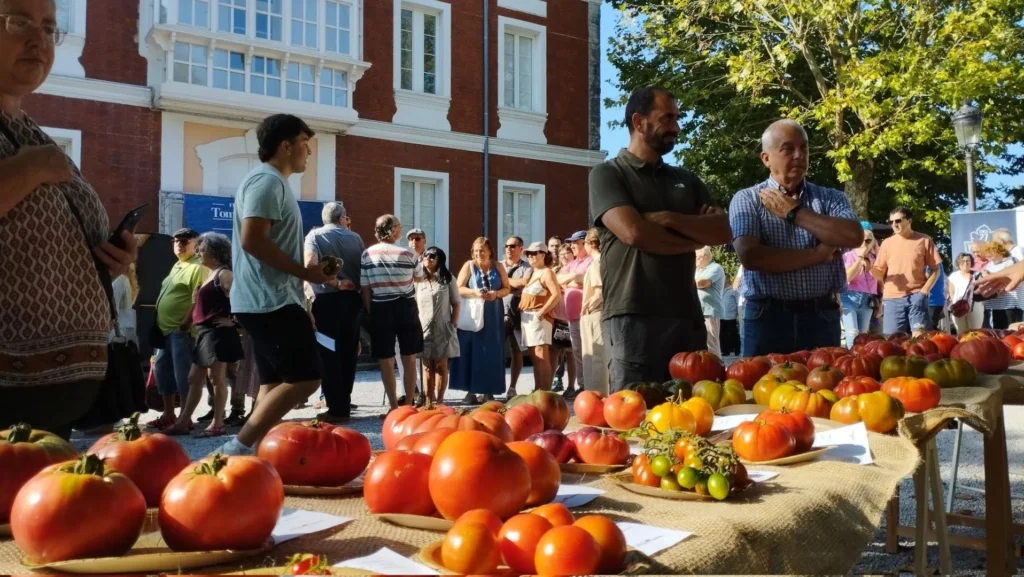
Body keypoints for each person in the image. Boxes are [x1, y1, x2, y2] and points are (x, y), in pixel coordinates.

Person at [0, 0, 138, 440]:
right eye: (18, 21)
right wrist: (28, 170)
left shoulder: (30, 130)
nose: (37, 38)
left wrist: (111, 257)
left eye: (48, 27)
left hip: (55, 404)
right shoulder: (34, 150)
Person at [589, 86, 732, 391]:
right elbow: (634, 232)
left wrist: (667, 219)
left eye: (677, 119)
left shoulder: (686, 179)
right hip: (632, 317)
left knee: (695, 417)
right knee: (634, 420)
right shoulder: (607, 175)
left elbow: (723, 231)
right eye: (667, 118)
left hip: (686, 316)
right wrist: (692, 235)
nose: (676, 128)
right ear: (639, 122)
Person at [213, 114, 331, 457]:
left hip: (269, 299)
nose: (308, 152)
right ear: (286, 145)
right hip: (268, 300)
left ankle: (253, 453)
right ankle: (235, 448)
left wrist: (300, 297)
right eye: (304, 144)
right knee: (306, 378)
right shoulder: (267, 182)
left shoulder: (268, 181)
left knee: (274, 383)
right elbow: (252, 240)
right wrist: (305, 273)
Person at [729, 119, 862, 355]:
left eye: (805, 148)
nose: (800, 155)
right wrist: (818, 254)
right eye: (788, 148)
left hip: (822, 315)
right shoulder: (747, 199)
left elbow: (853, 235)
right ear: (766, 158)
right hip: (767, 318)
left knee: (825, 391)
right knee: (762, 388)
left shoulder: (831, 197)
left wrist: (795, 213)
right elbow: (752, 257)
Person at [163, 232, 242, 437]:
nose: (198, 253)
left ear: (214, 253)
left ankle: (217, 424)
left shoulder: (225, 275)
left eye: (202, 250)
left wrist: (233, 321)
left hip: (217, 333)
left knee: (216, 378)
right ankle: (183, 422)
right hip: (205, 333)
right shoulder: (210, 274)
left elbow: (244, 300)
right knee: (194, 378)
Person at [305, 201, 365, 422]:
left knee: (328, 353)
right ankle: (345, 403)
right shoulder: (356, 238)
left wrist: (334, 283)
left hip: (327, 301)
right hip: (352, 302)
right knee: (349, 352)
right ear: (342, 218)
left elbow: (310, 264)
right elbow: (364, 268)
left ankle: (336, 407)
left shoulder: (314, 237)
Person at [360, 214, 424, 410]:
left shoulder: (367, 255)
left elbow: (365, 288)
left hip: (380, 307)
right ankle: (410, 403)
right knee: (409, 356)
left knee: (385, 359)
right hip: (405, 306)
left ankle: (393, 405)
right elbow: (419, 278)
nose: (401, 229)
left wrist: (371, 311)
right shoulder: (409, 254)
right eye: (399, 226)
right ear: (392, 230)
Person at [149, 228, 208, 430]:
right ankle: (168, 414)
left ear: (196, 244)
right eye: (176, 240)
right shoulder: (178, 265)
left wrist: (184, 324)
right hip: (165, 330)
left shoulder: (198, 267)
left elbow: (198, 299)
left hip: (181, 331)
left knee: (183, 375)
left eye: (184, 240)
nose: (179, 244)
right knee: (162, 372)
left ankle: (185, 416)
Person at [450, 237, 511, 404]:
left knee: (490, 352)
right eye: (476, 251)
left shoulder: (498, 266)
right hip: (472, 314)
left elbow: (507, 288)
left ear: (490, 251)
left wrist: (496, 294)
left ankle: (488, 391)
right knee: (470, 351)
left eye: (482, 250)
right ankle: (470, 391)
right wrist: (475, 293)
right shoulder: (468, 266)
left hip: (493, 314)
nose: (479, 254)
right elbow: (458, 288)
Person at [870, 207, 941, 336]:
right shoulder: (886, 243)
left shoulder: (924, 240)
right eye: (890, 222)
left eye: (897, 220)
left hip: (917, 295)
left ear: (909, 220)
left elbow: (936, 270)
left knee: (920, 341)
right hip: (892, 298)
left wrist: (924, 292)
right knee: (893, 343)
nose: (894, 225)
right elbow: (879, 271)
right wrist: (871, 268)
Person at [414, 247, 460, 407]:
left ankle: (440, 401)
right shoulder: (417, 280)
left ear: (440, 259)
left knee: (441, 365)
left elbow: (456, 303)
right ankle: (428, 400)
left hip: (443, 328)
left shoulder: (448, 279)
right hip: (423, 329)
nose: (429, 258)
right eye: (426, 255)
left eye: (433, 256)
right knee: (427, 367)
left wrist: (453, 325)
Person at [517, 242, 562, 391]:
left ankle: (545, 391)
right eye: (528, 254)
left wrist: (541, 312)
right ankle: (538, 390)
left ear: (542, 255)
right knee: (535, 357)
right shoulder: (532, 273)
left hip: (538, 317)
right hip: (528, 317)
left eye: (533, 253)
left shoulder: (547, 272)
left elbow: (556, 294)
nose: (530, 256)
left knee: (541, 355)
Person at [558, 230, 592, 398]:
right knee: (578, 350)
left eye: (575, 243)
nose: (572, 245)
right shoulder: (572, 264)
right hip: (571, 316)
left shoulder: (591, 260)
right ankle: (583, 384)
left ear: (585, 243)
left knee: (589, 349)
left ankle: (592, 384)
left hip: (586, 313)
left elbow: (583, 279)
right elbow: (557, 279)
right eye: (571, 243)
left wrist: (572, 280)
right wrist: (573, 278)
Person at [841, 223, 881, 348]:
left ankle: (858, 362)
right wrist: (859, 258)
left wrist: (881, 304)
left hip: (867, 300)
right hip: (848, 298)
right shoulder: (848, 256)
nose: (865, 243)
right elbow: (847, 277)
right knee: (852, 332)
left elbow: (881, 282)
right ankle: (850, 362)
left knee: (863, 336)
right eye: (862, 239)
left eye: (868, 240)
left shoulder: (876, 259)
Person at [579, 230, 609, 393]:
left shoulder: (597, 263)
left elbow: (599, 292)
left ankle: (598, 395)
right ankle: (593, 394)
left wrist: (586, 307)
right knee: (591, 357)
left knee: (596, 357)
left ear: (591, 243)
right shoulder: (598, 262)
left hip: (594, 314)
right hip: (593, 314)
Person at [502, 236, 532, 397]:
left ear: (521, 248)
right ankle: (491, 388)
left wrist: (504, 282)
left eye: (513, 246)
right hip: (498, 313)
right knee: (494, 350)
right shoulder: (498, 265)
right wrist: (513, 284)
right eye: (507, 246)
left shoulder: (527, 266)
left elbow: (525, 283)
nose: (509, 249)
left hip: (517, 314)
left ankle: (512, 387)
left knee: (516, 351)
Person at [551, 243, 578, 395]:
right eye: (561, 254)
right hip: (556, 316)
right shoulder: (555, 270)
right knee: (554, 352)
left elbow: (574, 285)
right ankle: (552, 383)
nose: (564, 256)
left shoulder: (575, 268)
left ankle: (571, 386)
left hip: (570, 317)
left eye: (567, 253)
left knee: (571, 354)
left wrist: (563, 284)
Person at [980, 242, 1020, 329]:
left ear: (999, 251)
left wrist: (989, 275)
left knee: (1012, 332)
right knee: (999, 333)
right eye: (988, 256)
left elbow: (1009, 278)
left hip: (1010, 305)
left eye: (991, 255)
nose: (989, 258)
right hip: (994, 305)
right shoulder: (990, 264)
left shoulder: (1011, 261)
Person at [694, 247, 725, 356]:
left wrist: (686, 282)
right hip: (696, 311)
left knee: (711, 343)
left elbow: (702, 283)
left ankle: (717, 368)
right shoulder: (697, 270)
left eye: (697, 257)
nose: (695, 259)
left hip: (709, 311)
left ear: (705, 257)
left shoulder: (715, 267)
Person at [948, 253, 984, 334]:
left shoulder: (977, 275)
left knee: (976, 332)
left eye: (968, 261)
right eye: (963, 261)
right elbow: (951, 292)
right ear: (958, 263)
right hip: (959, 308)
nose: (966, 263)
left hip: (975, 307)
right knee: (961, 332)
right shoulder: (953, 276)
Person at [111, 262, 140, 347]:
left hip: (118, 330)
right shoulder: (128, 282)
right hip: (127, 329)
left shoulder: (120, 279)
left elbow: (113, 309)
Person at [926, 265, 948, 331]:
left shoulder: (931, 260)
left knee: (929, 330)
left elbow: (927, 277)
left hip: (932, 301)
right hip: (935, 301)